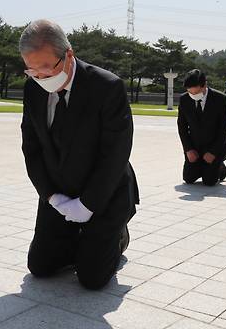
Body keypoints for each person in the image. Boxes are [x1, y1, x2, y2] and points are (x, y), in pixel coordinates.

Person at [20, 19, 139, 290]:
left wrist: (87, 205)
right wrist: (51, 196)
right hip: (60, 192)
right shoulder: (33, 89)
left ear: (68, 55)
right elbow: (32, 149)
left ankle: (117, 234)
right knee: (41, 266)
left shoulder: (106, 87)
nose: (41, 78)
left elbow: (115, 154)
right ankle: (78, 237)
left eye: (47, 69)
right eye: (32, 71)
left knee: (92, 278)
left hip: (103, 192)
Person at [177, 69, 226, 186]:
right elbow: (182, 127)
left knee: (209, 181)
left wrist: (213, 152)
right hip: (194, 146)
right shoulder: (184, 99)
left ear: (204, 85)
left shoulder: (221, 99)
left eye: (195, 93)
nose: (193, 96)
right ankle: (203, 166)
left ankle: (220, 165)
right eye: (190, 93)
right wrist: (188, 149)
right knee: (189, 178)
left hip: (213, 146)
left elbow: (224, 130)